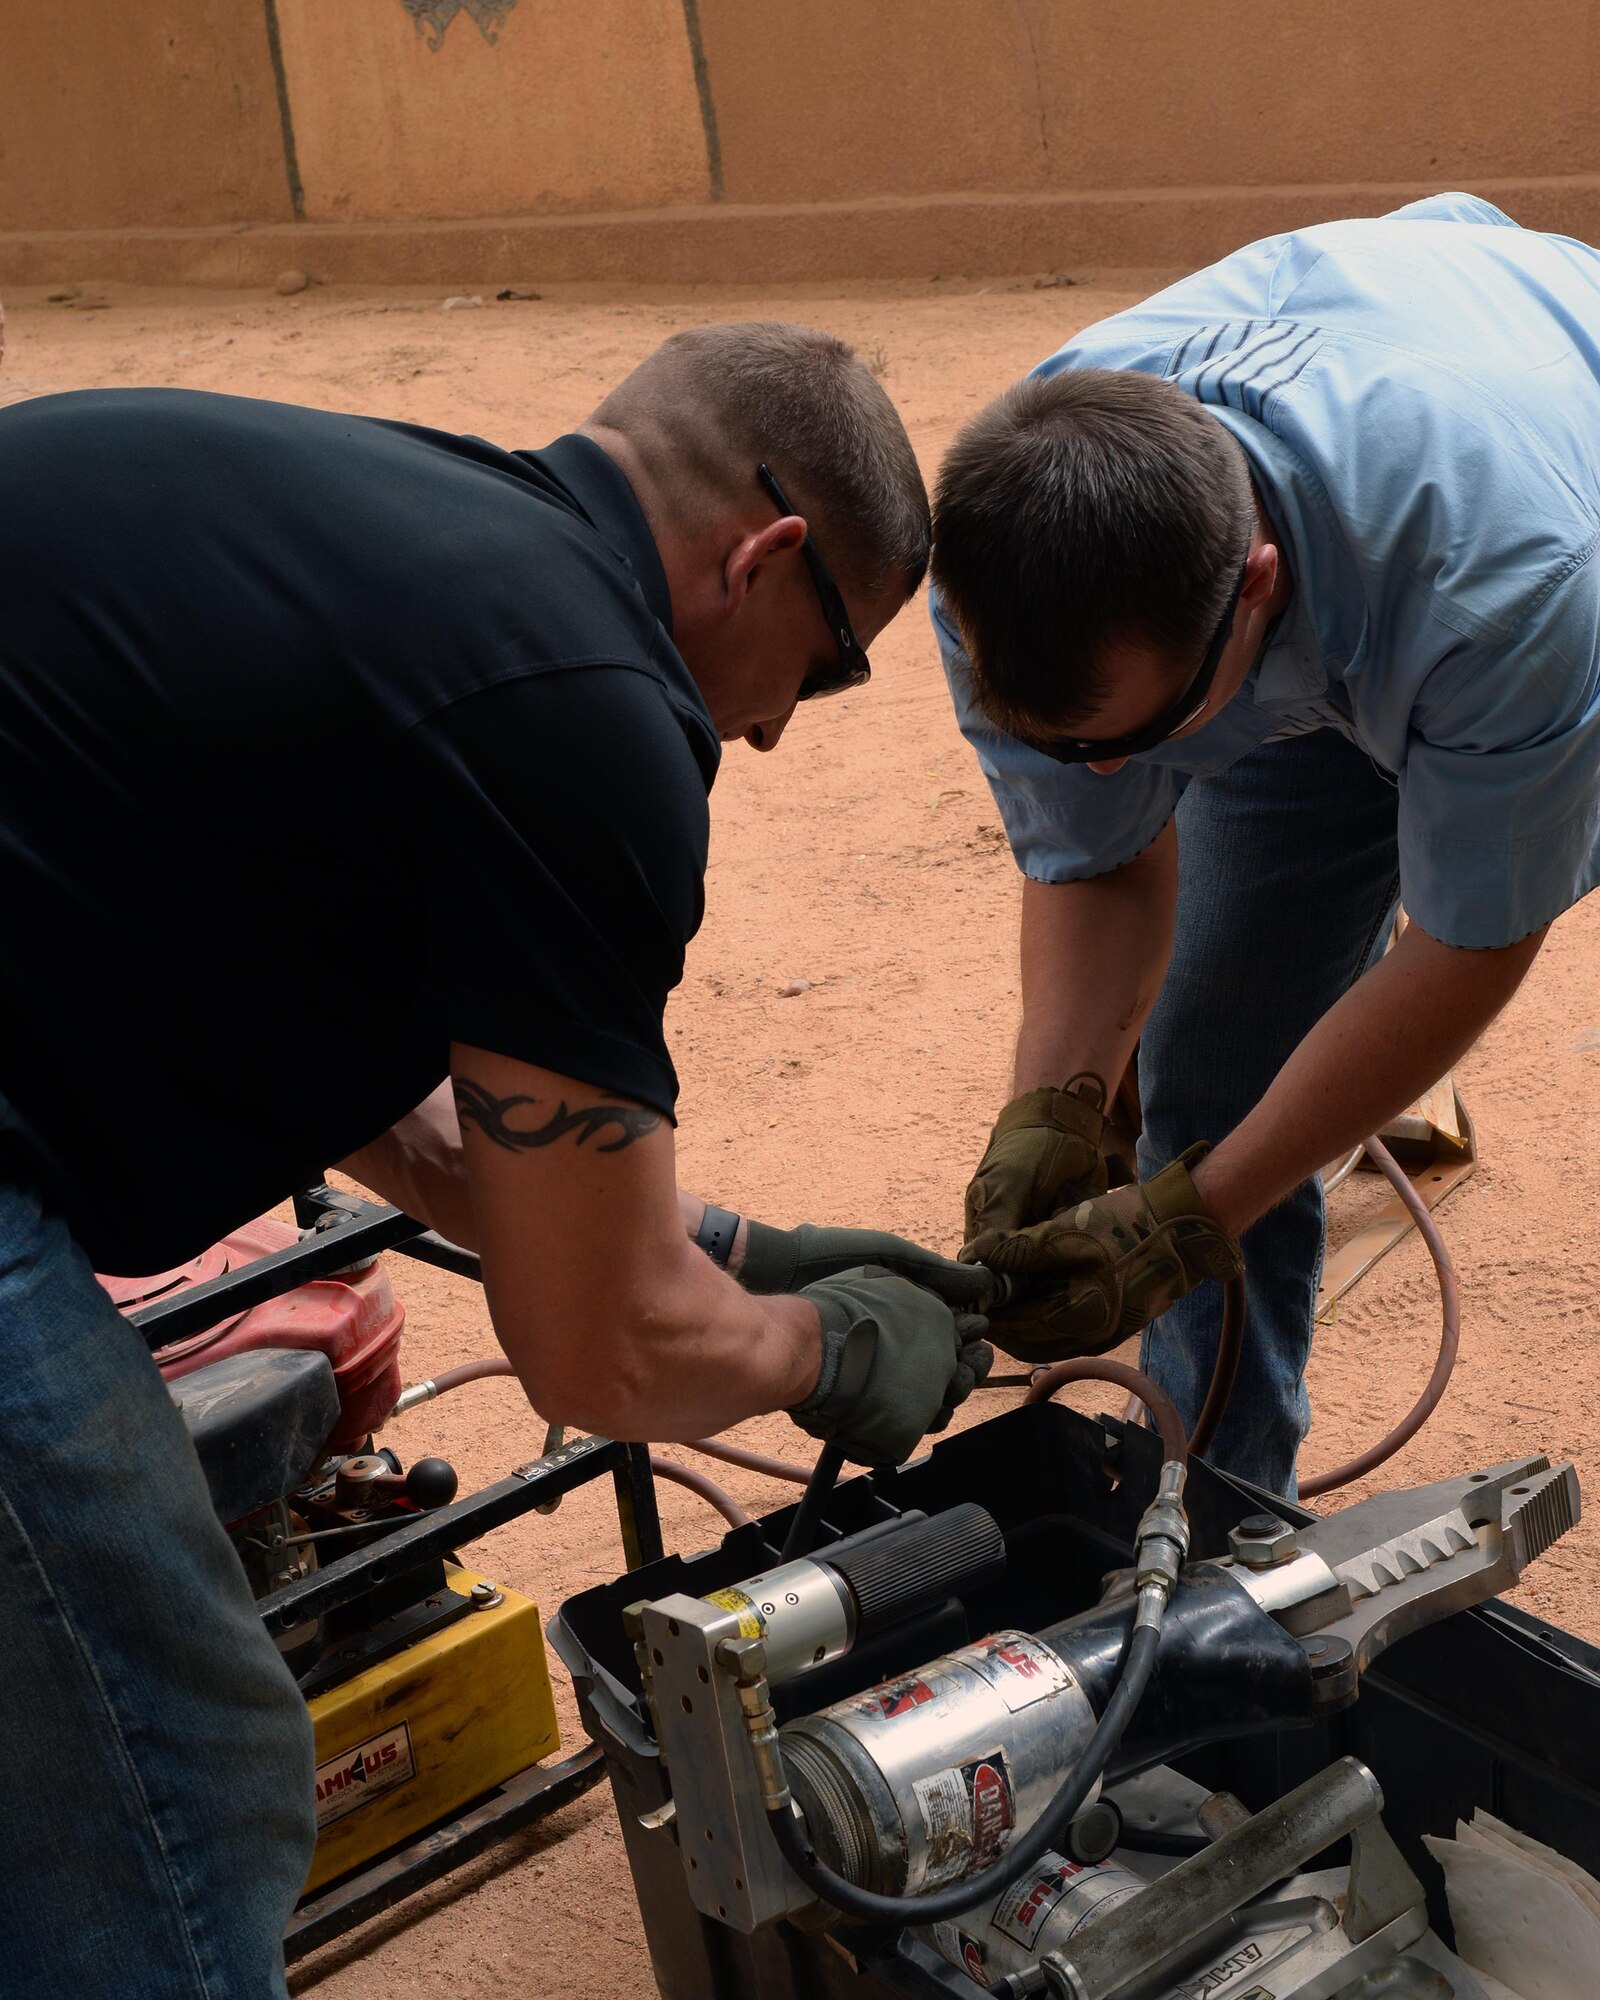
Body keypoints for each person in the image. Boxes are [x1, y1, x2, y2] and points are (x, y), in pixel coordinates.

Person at [0, 322, 991, 1999]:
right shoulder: (591, 708)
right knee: (173, 1759)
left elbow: (365, 1084)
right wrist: (830, 1353)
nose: (771, 740)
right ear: (769, 555)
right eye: (825, 673)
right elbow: (596, 1351)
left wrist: (729, 1249)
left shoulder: (412, 538)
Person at [929, 193, 1600, 1496]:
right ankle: (1216, 1521)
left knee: (1222, 1157)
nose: (1111, 775)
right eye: (1071, 746)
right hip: (1388, 409)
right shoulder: (1021, 544)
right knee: (1220, 1065)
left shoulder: (1507, 588)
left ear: (1255, 589)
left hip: (1550, 455)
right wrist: (1056, 1109)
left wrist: (1192, 1220)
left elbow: (1467, 952)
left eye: (1145, 734)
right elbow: (1102, 853)